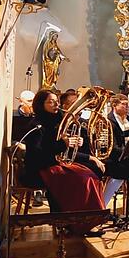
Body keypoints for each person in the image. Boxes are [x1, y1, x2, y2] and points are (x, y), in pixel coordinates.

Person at [21, 90, 106, 234]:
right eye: (50, 101)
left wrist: (77, 143)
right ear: (41, 105)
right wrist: (64, 143)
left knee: (91, 174)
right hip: (41, 167)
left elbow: (64, 149)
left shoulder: (58, 119)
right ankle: (74, 223)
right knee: (82, 179)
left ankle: (88, 221)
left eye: (56, 101)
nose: (56, 104)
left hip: (56, 164)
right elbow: (38, 153)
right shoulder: (37, 124)